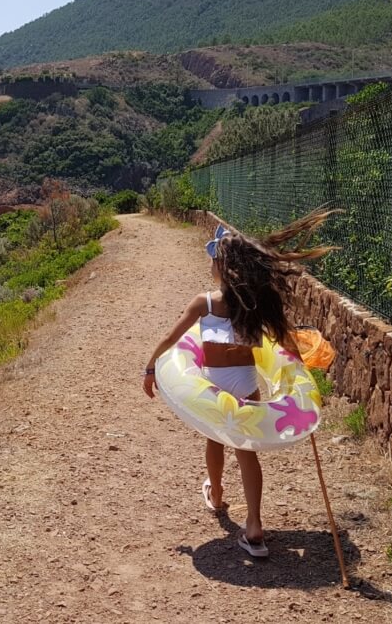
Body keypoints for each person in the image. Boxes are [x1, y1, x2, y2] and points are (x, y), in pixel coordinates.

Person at [142, 210, 337, 558]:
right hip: (246, 382)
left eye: (214, 259)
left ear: (223, 266)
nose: (211, 264)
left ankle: (216, 494)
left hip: (214, 384)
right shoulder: (254, 305)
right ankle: (255, 525)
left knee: (214, 436)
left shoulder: (205, 303)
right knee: (246, 451)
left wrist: (149, 367)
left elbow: (171, 338)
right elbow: (284, 346)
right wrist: (302, 381)